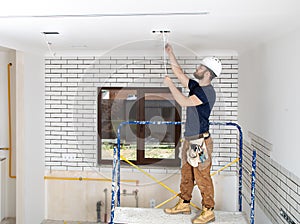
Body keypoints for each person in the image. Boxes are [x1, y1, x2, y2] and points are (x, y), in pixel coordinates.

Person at [163, 43, 222, 224]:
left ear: (208, 73)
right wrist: (171, 54)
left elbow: (184, 102)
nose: (197, 68)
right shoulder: (197, 86)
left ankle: (208, 210)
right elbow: (180, 73)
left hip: (200, 142)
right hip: (190, 140)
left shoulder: (207, 93)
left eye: (201, 67)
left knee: (202, 176)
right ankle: (184, 203)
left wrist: (170, 85)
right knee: (186, 173)